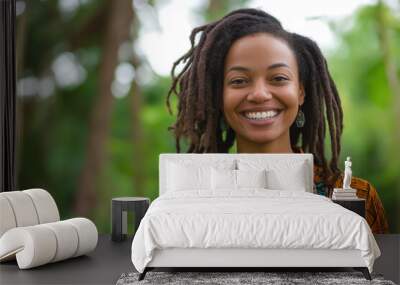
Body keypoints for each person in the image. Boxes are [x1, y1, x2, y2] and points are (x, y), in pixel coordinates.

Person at [165, 8, 389, 233]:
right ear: (218, 97)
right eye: (239, 80)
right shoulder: (193, 199)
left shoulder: (357, 197)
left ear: (300, 92)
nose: (260, 94)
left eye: (279, 78)